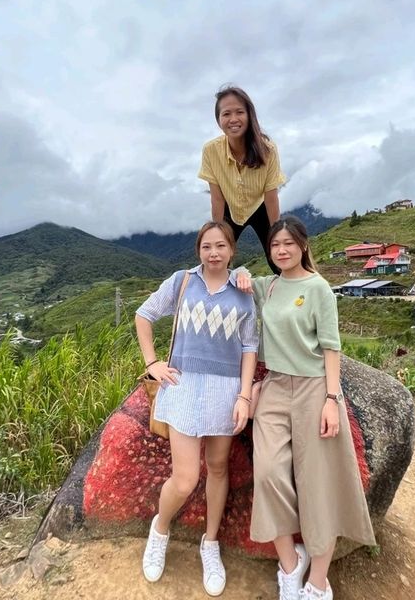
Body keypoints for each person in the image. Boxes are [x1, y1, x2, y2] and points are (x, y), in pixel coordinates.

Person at [236, 216, 375, 600]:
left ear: (303, 245)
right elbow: (238, 279)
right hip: (276, 387)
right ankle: (289, 564)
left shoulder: (319, 290)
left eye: (288, 244)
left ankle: (317, 580)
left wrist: (332, 400)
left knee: (318, 483)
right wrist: (244, 274)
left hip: (315, 389)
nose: (281, 250)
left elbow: (332, 348)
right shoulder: (270, 286)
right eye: (275, 245)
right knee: (267, 473)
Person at [135, 221, 258, 596]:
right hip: (185, 387)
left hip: (226, 392)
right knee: (186, 478)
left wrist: (244, 396)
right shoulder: (182, 281)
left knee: (219, 469)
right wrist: (152, 362)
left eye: (221, 246)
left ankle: (211, 543)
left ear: (232, 251)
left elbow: (250, 347)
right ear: (198, 250)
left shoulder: (243, 290)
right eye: (207, 246)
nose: (214, 253)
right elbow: (144, 315)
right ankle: (160, 528)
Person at [198, 85, 286, 273]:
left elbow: (271, 197)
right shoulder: (210, 150)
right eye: (226, 114)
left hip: (260, 205)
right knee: (219, 258)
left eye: (239, 112)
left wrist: (277, 236)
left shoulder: (268, 149)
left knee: (278, 257)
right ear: (218, 119)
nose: (233, 119)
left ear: (249, 115)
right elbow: (217, 198)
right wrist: (217, 235)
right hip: (230, 208)